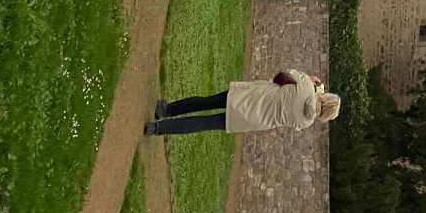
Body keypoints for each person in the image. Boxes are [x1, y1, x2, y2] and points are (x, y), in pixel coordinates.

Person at [144, 70, 340, 137]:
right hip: (251, 119)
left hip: (249, 97)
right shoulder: (306, 123)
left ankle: (166, 110)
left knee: (205, 102)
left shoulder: (306, 86)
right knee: (202, 123)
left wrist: (310, 79)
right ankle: (156, 129)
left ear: (326, 96)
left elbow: (282, 75)